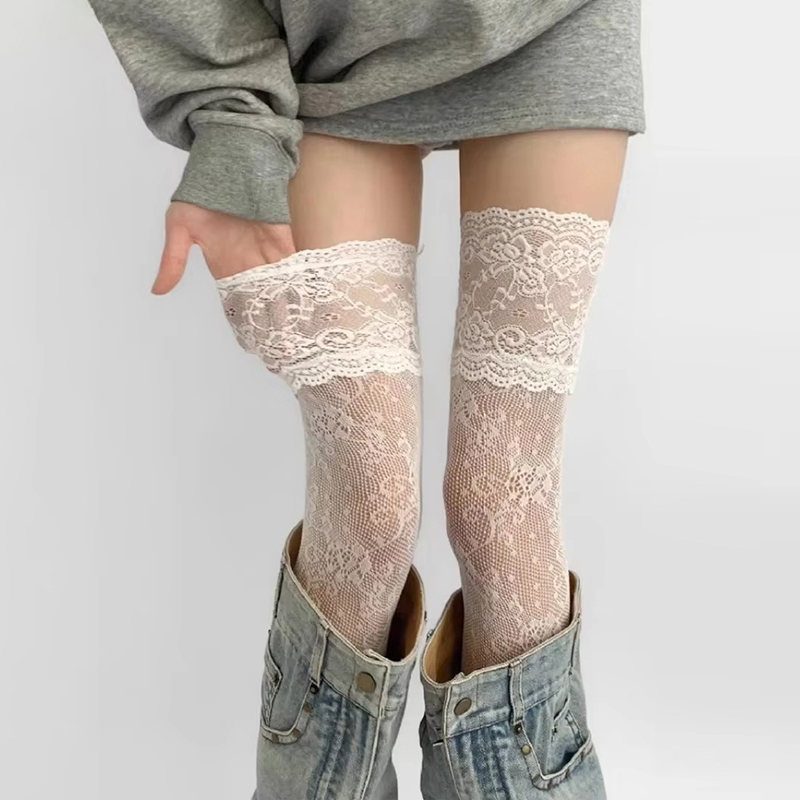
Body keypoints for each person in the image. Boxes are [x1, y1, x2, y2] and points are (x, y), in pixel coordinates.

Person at [88, 1, 645, 797]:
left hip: (550, 25)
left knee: (502, 506)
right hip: (319, 46)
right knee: (368, 509)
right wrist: (227, 113)